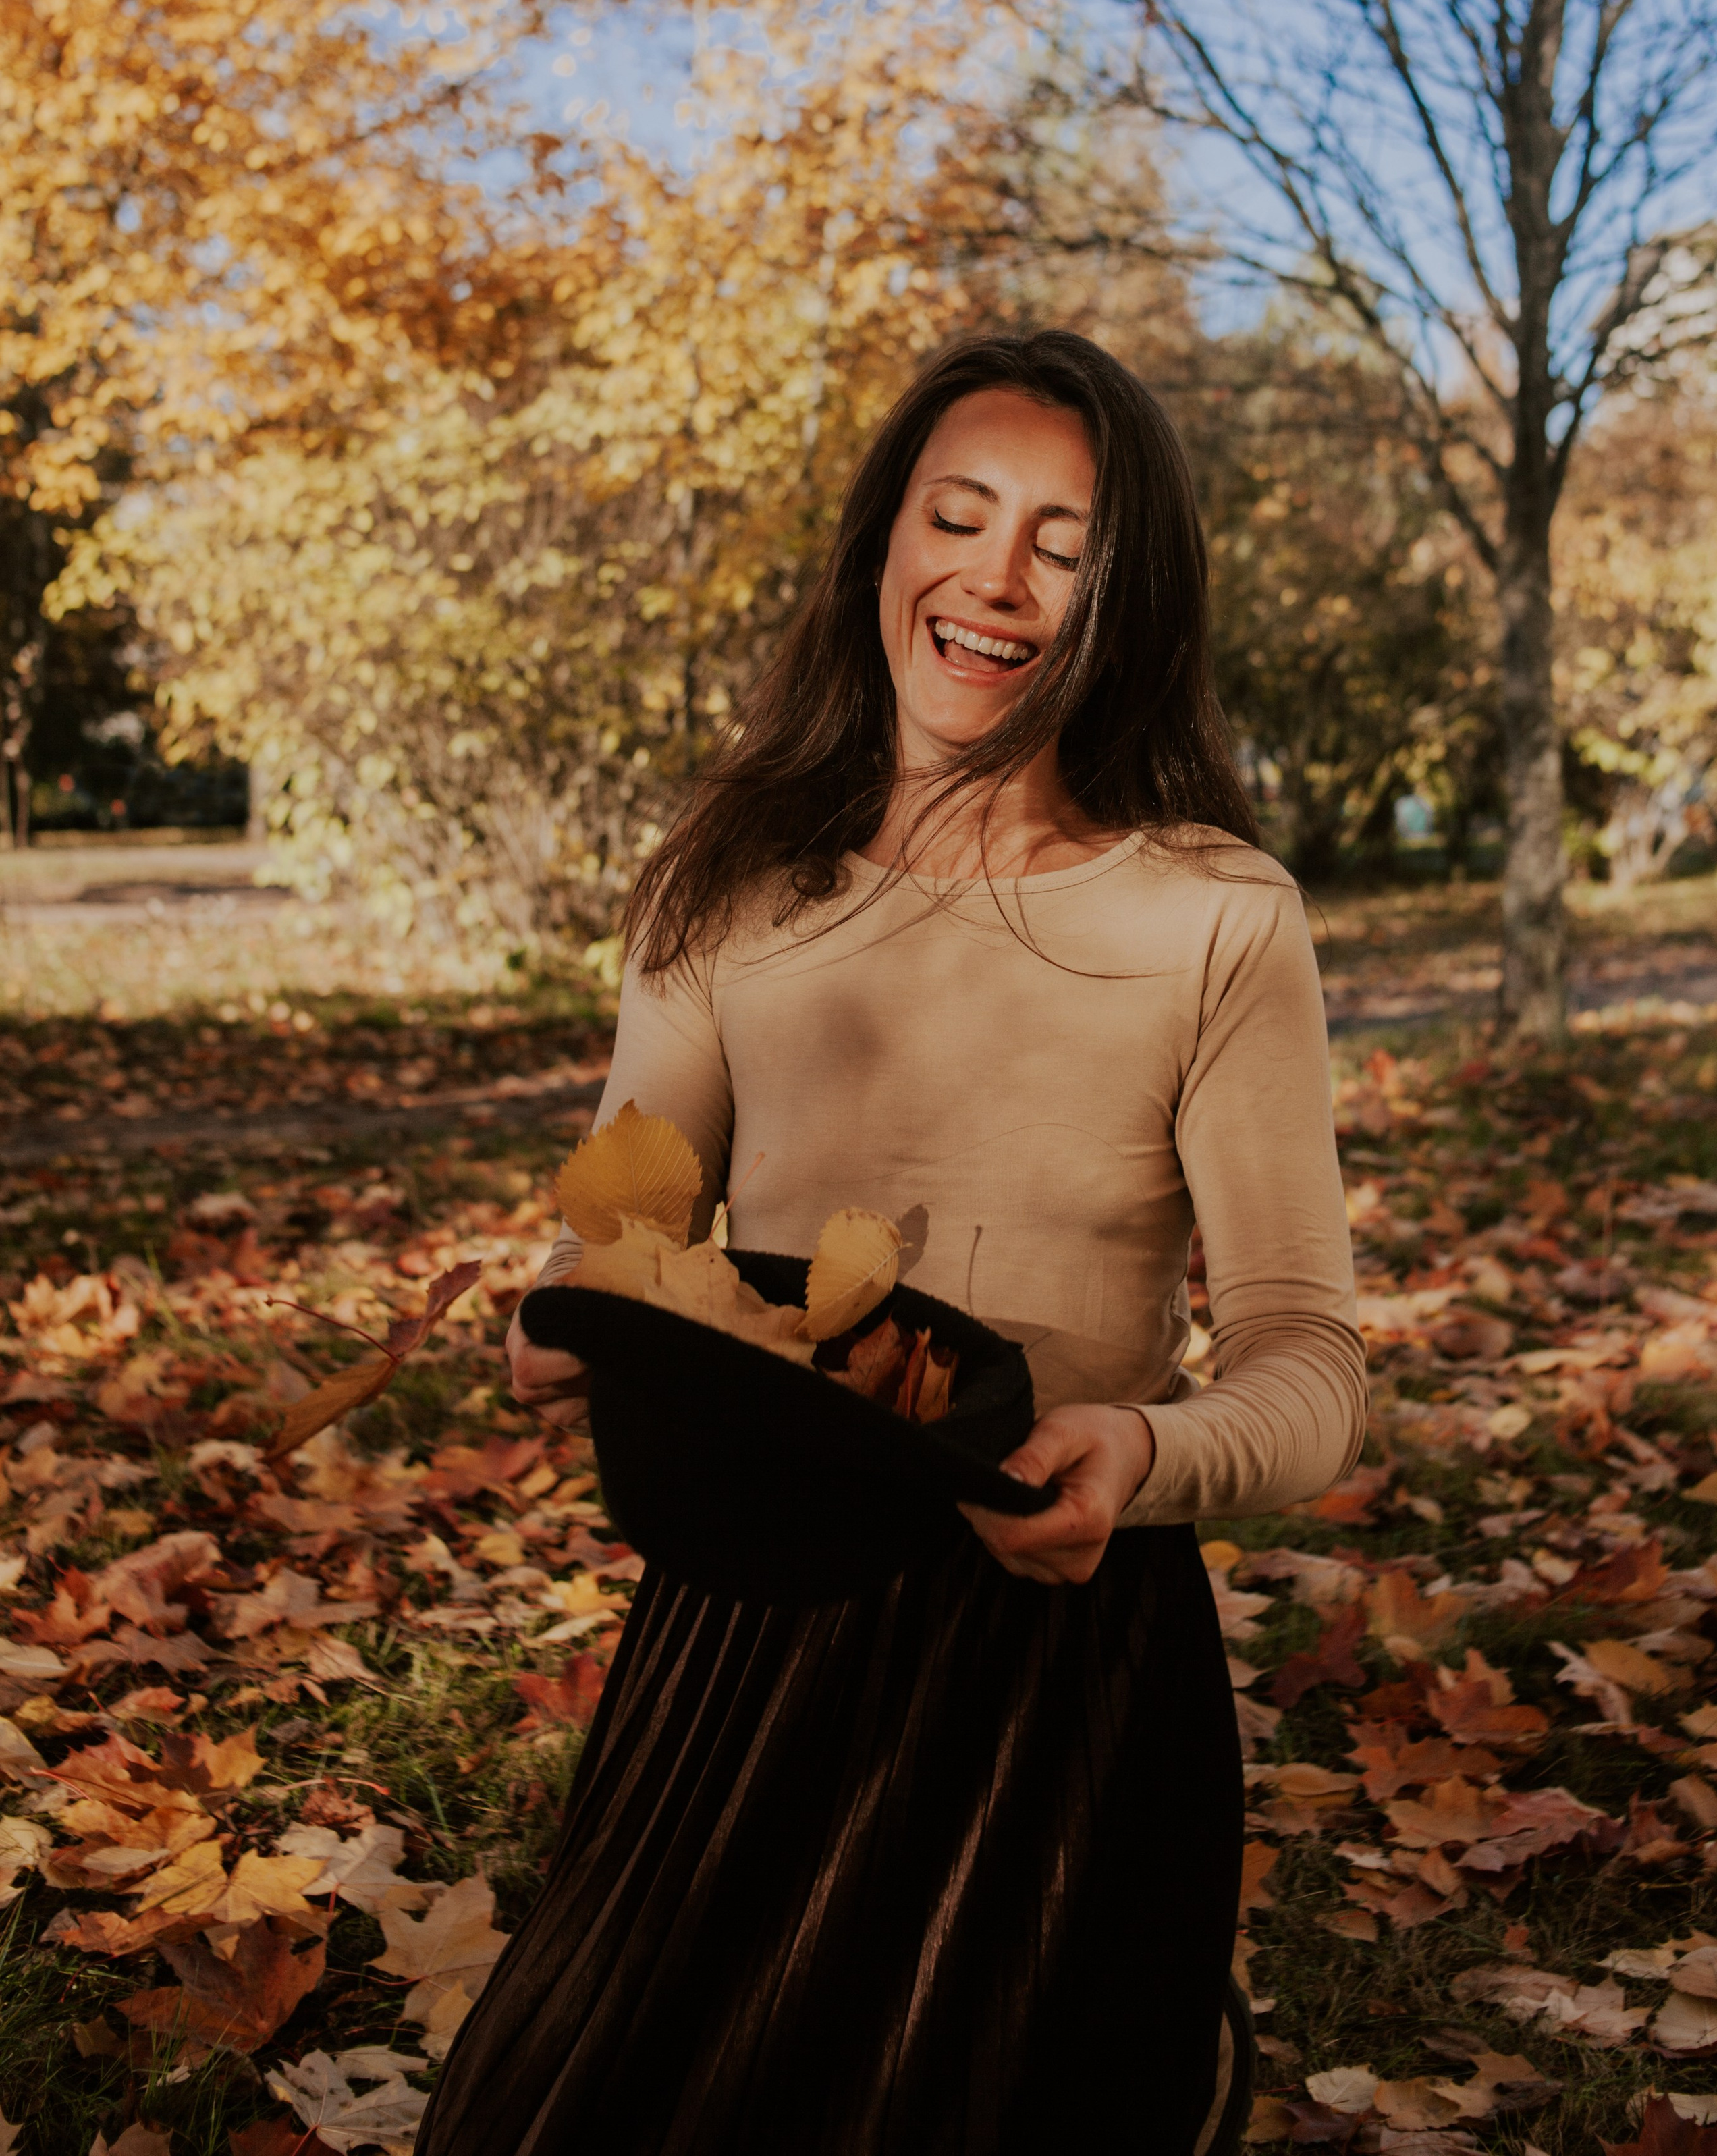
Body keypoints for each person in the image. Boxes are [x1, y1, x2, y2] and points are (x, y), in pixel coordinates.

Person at [415, 329, 1363, 2156]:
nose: (995, 581)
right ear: (882, 548)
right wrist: (577, 1308)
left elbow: (1314, 1365)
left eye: (1063, 547)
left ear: (1125, 602)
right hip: (747, 1617)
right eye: (959, 515)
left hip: (1047, 1670)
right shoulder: (733, 869)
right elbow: (641, 1216)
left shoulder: (1214, 921)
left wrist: (1146, 1453)